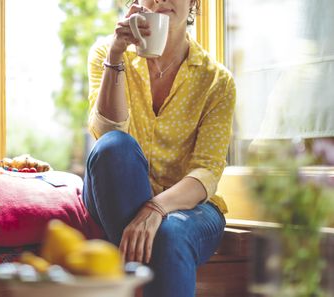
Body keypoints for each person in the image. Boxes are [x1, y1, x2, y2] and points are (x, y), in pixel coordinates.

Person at [81, 0, 236, 296]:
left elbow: (206, 171)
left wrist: (156, 207)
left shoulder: (217, 82)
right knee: (114, 146)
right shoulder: (106, 52)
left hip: (189, 208)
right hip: (114, 190)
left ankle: (136, 267)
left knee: (171, 233)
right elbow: (107, 134)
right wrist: (117, 55)